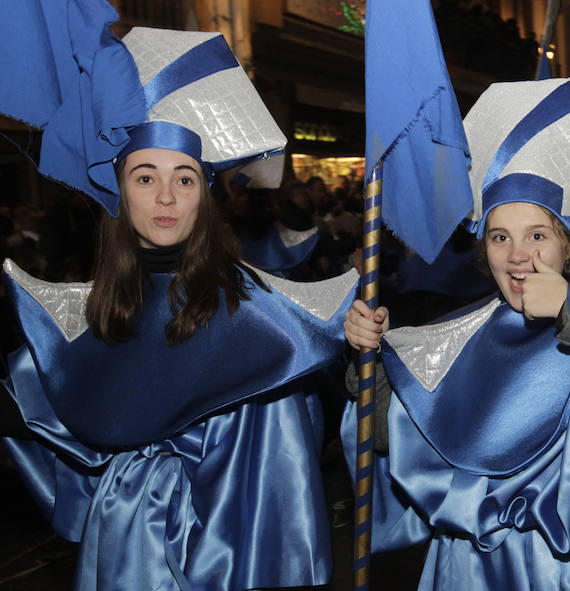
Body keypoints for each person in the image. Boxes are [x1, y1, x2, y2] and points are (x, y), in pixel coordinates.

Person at [1, 12, 357, 590]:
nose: (165, 196)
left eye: (184, 179)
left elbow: (273, 482)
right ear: (120, 190)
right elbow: (64, 427)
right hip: (115, 546)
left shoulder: (258, 318)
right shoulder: (97, 308)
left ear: (205, 195)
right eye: (145, 177)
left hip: (212, 557)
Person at [342, 77, 570, 590]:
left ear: (568, 247)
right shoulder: (452, 336)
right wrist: (369, 363)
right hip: (464, 568)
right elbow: (388, 439)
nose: (517, 255)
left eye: (537, 235)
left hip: (567, 567)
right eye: (500, 237)